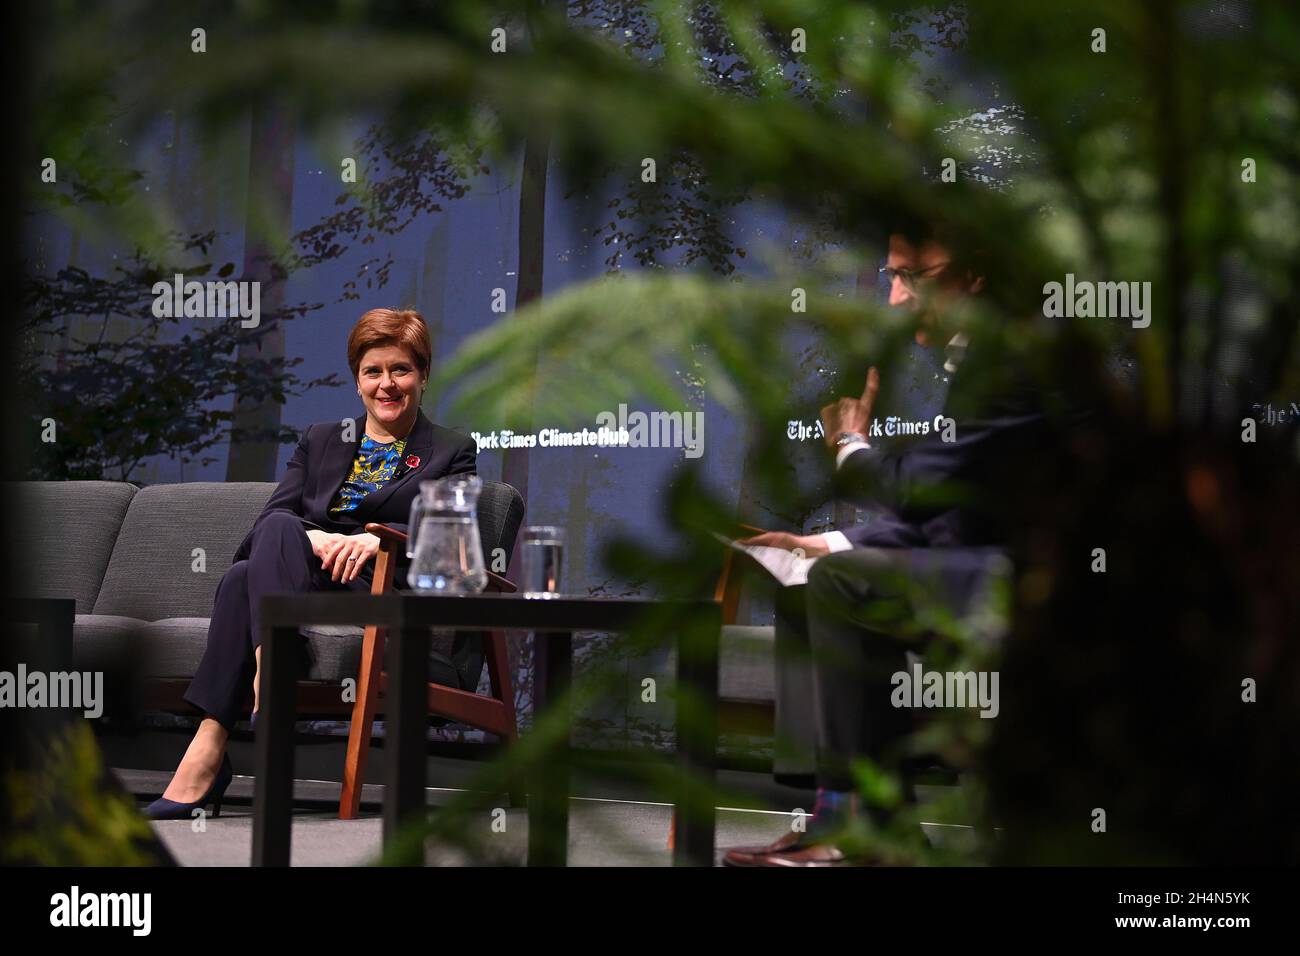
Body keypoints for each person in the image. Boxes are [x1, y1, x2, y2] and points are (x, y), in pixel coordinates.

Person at [725, 223, 1058, 865]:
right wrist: (825, 541)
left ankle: (869, 830)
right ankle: (836, 811)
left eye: (914, 278)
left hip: (1036, 585)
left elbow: (927, 495)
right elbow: (955, 516)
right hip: (983, 562)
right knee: (807, 577)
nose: (897, 300)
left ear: (976, 274)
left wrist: (851, 446)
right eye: (892, 277)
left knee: (840, 582)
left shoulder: (1014, 356)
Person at [145, 308, 477, 820]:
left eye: (401, 370)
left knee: (242, 579)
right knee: (273, 533)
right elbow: (271, 521)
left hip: (382, 591)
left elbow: (452, 540)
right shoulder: (321, 440)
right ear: (357, 381)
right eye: (373, 371)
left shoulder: (451, 450)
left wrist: (379, 543)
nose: (386, 384)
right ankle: (268, 673)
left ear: (424, 375)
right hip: (305, 579)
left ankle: (208, 752)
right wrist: (317, 536)